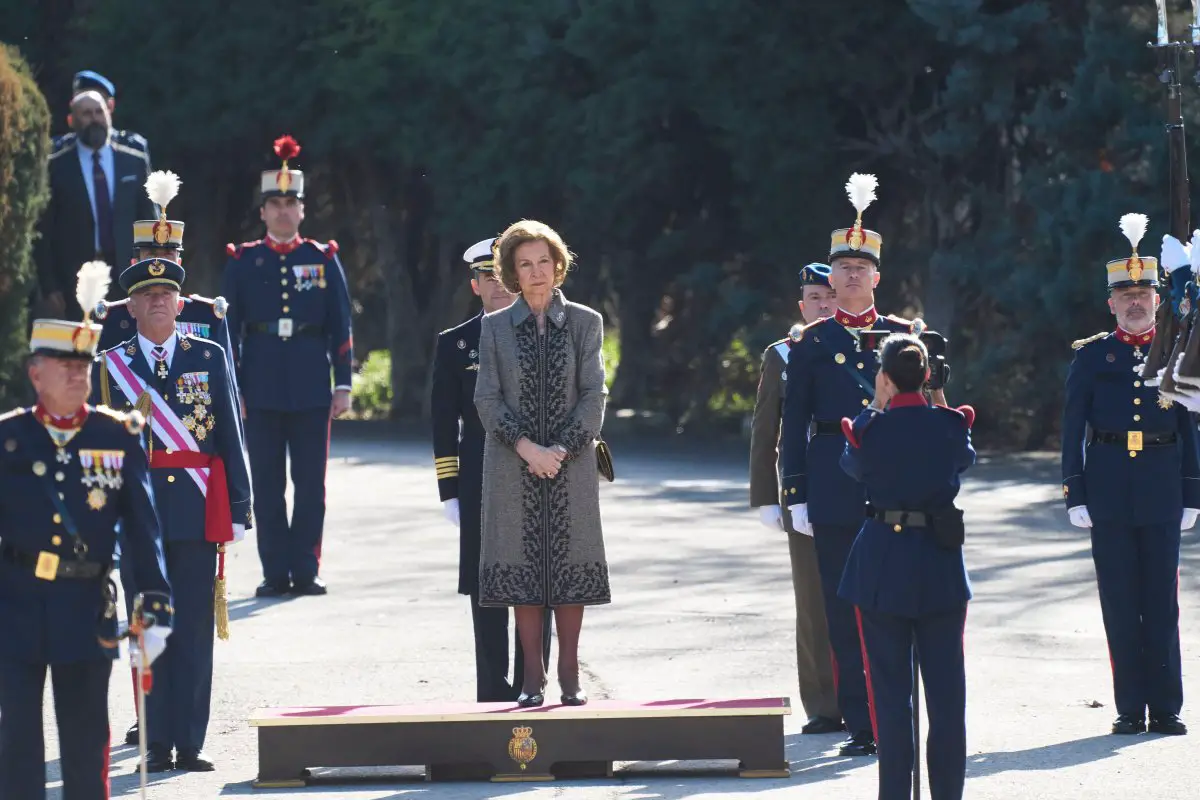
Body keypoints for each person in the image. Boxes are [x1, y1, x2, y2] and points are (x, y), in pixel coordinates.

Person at [0, 262, 171, 799]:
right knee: (17, 754)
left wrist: (155, 604)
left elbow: (144, 529)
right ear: (36, 373)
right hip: (15, 608)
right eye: (64, 365)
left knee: (85, 751)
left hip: (84, 607)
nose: (78, 374)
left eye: (84, 364)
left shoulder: (117, 436)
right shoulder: (8, 440)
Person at [780, 173, 928, 757]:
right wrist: (794, 494)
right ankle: (860, 723)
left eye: (861, 269)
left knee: (897, 602)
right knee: (844, 610)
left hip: (898, 487)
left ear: (877, 278)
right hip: (833, 483)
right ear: (831, 277)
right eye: (841, 268)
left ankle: (896, 713)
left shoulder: (904, 337)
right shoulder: (812, 343)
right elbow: (794, 422)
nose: (850, 276)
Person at [92, 242, 251, 772]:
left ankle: (190, 740)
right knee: (148, 627)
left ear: (182, 305)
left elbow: (230, 433)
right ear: (130, 308)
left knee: (195, 632)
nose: (158, 301)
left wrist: (241, 506)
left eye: (167, 294)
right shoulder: (110, 367)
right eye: (146, 294)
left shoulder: (210, 356)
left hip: (197, 507)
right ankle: (155, 740)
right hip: (137, 516)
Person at [1061, 214, 1196, 737]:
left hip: (1162, 484)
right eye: (1126, 295)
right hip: (1110, 485)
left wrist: (1193, 490)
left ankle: (1165, 707)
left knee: (1161, 601)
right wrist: (1074, 488)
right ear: (1110, 303)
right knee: (1119, 600)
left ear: (1158, 300)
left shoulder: (1179, 351)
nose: (1136, 302)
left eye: (1144, 292)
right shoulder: (1094, 357)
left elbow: (1190, 424)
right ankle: (1128, 707)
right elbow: (1073, 426)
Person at [475, 220, 610, 707]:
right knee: (522, 571)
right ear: (511, 272)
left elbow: (594, 394)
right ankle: (533, 676)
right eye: (525, 264)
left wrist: (561, 451)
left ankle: (570, 671)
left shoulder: (585, 322)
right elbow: (487, 399)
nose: (536, 272)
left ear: (558, 266)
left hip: (571, 465)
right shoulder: (493, 327)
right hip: (512, 465)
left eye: (544, 262)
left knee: (571, 566)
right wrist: (529, 449)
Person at [838, 333, 975, 800]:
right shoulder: (950, 425)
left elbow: (851, 464)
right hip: (939, 567)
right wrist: (938, 396)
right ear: (928, 376)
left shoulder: (870, 428)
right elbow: (964, 455)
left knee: (891, 699)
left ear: (885, 377)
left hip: (882, 567)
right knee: (946, 700)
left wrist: (877, 405)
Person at [220, 135, 354, 598]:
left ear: (302, 210)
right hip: (258, 385)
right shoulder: (242, 261)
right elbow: (227, 331)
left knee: (310, 485)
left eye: (289, 203)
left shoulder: (321, 259)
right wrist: (232, 388)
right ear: (262, 212)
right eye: (274, 203)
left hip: (311, 385)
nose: (281, 211)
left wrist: (345, 385)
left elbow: (341, 324)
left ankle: (306, 568)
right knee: (268, 484)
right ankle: (275, 571)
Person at [431, 238, 551, 702]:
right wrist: (450, 489)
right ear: (475, 285)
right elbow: (444, 422)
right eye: (488, 280)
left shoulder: (541, 331)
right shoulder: (455, 343)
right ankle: (490, 690)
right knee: (486, 587)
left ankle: (532, 684)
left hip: (535, 472)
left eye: (505, 278)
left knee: (538, 584)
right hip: (480, 477)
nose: (499, 288)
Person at [749, 263, 840, 734]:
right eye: (814, 297)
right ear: (800, 305)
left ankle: (869, 698)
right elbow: (767, 429)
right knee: (814, 599)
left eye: (829, 296)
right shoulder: (783, 354)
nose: (823, 304)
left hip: (858, 480)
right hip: (804, 485)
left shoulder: (864, 348)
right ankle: (825, 706)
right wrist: (766, 495)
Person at [93, 170, 238, 389]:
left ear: (179, 264)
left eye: (168, 257)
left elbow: (225, 391)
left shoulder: (208, 316)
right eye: (151, 256)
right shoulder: (113, 318)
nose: (158, 266)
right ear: (135, 264)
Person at [35, 89, 154, 320]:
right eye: (86, 114)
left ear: (109, 113)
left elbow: (149, 218)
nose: (95, 119)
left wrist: (150, 273)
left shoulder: (133, 161)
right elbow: (44, 230)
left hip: (127, 277)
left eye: (99, 112)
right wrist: (49, 286)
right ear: (72, 121)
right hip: (75, 282)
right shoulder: (56, 166)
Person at [51, 70, 151, 162]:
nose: (88, 105)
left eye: (97, 103)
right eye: (80, 101)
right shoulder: (57, 150)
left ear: (110, 106)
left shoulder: (133, 148)